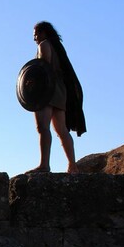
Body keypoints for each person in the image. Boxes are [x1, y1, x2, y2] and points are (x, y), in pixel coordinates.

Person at [28, 21, 86, 174]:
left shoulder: (44, 45)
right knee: (61, 129)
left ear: (44, 33)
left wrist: (33, 82)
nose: (34, 37)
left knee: (42, 127)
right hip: (60, 90)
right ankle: (72, 165)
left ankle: (44, 165)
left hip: (47, 89)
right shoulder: (58, 47)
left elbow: (45, 68)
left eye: (36, 34)